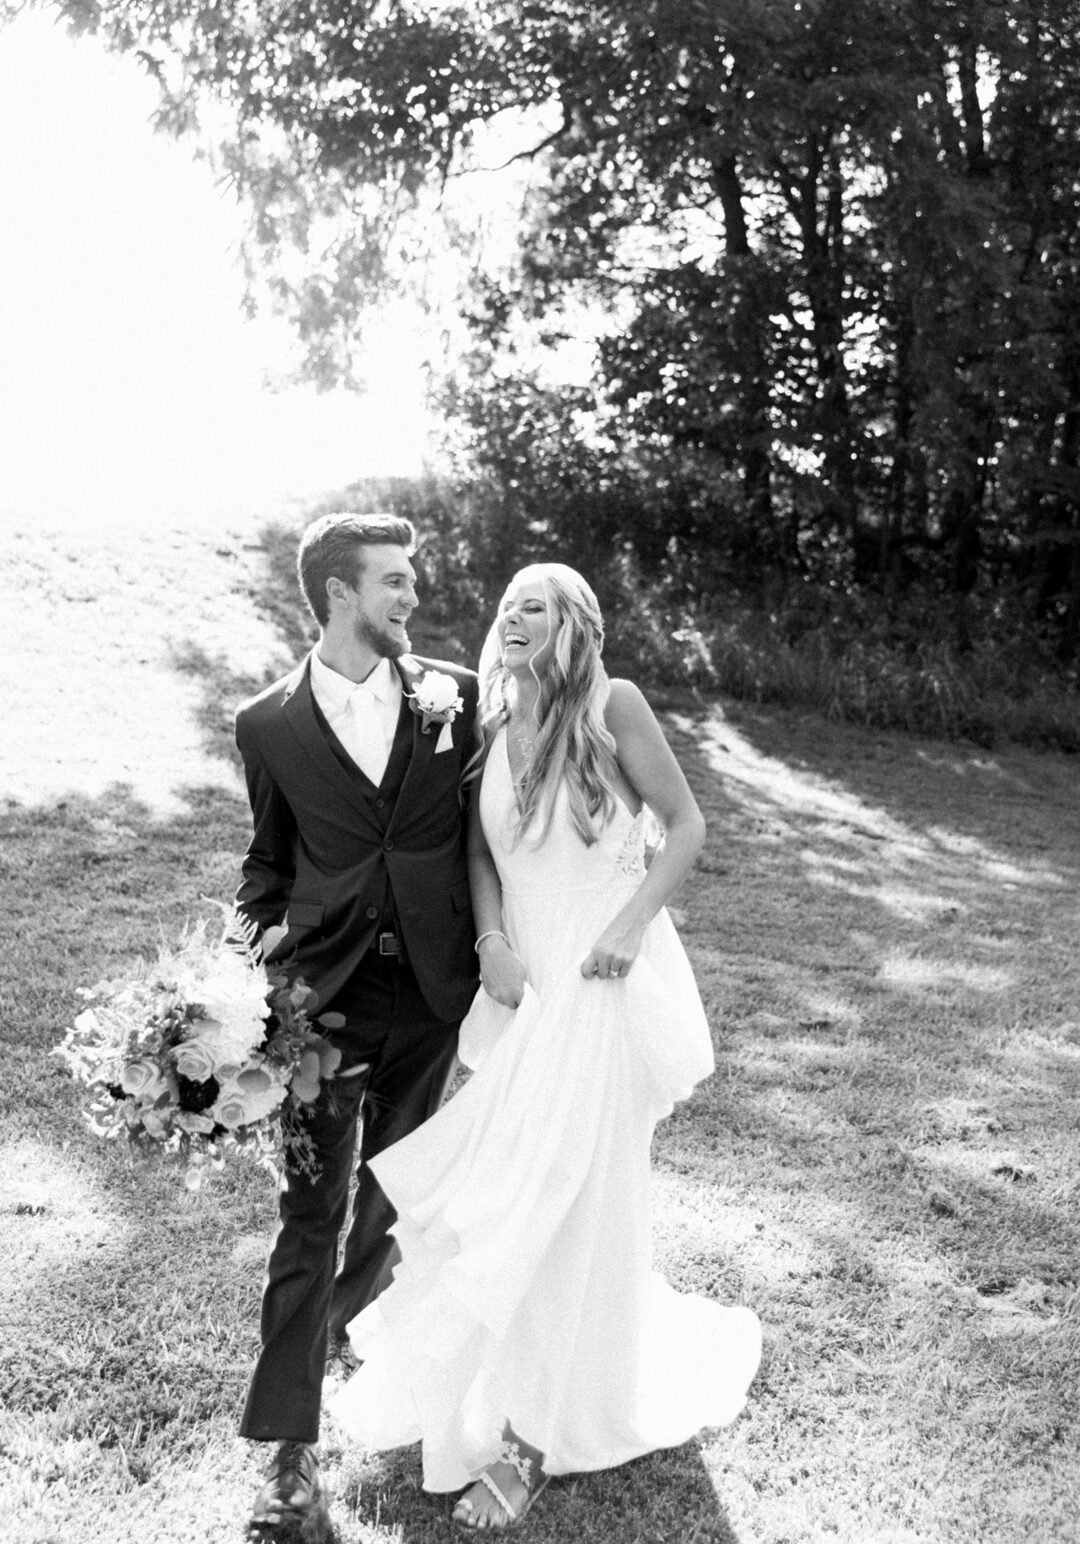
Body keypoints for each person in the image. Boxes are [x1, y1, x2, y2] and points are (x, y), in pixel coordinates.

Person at [329, 562, 761, 1529]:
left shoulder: (617, 704)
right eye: (506, 604)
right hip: (524, 992)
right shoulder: (493, 715)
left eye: (534, 602)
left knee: (560, 1197)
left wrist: (629, 927)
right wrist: (490, 944)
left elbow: (686, 826)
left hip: (602, 983)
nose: (511, 616)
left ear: (573, 619)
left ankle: (532, 1443)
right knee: (514, 1192)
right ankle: (516, 1394)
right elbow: (481, 850)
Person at [232, 512, 480, 1538]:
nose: (410, 596)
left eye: (412, 579)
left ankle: (344, 1333)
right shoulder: (268, 725)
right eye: (392, 580)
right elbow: (267, 867)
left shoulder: (455, 696)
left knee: (394, 1198)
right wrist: (249, 976)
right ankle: (287, 1461)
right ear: (337, 591)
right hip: (322, 1007)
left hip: (431, 992)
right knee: (309, 1215)